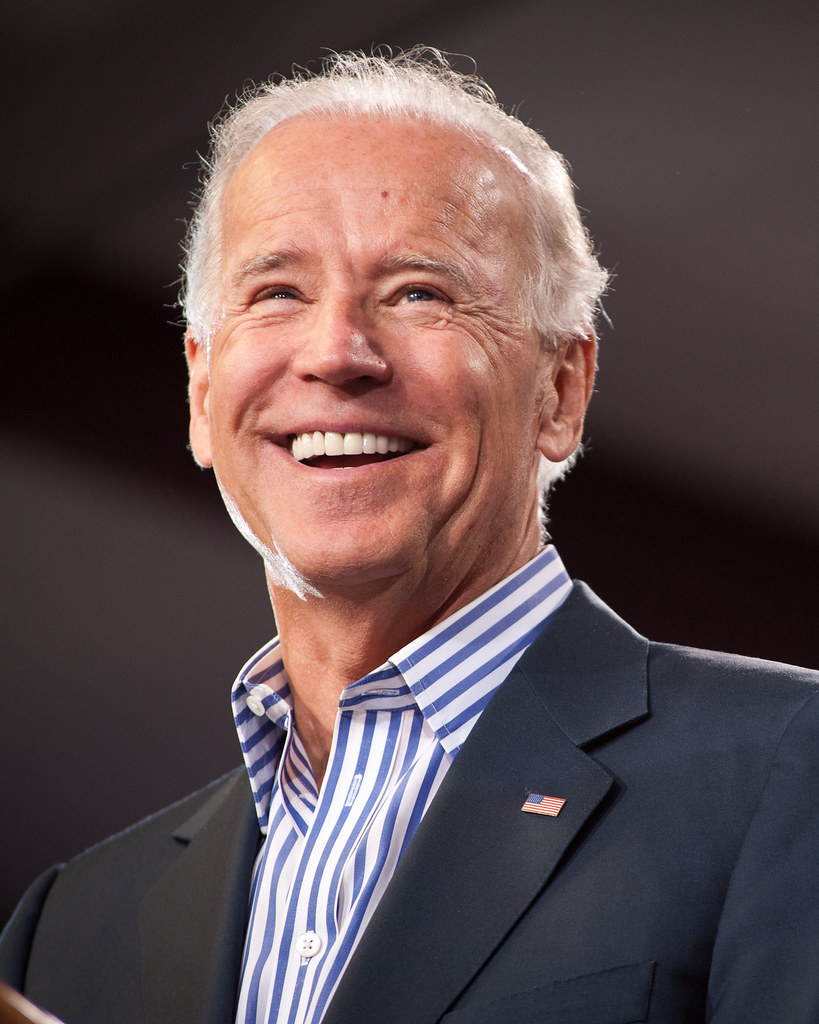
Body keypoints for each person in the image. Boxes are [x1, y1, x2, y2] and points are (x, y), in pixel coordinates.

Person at [1, 47, 817, 1024]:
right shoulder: (69, 925)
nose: (337, 352)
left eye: (419, 292)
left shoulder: (785, 769)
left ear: (562, 391)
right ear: (200, 388)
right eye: (277, 293)